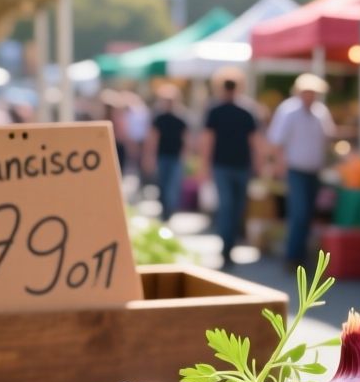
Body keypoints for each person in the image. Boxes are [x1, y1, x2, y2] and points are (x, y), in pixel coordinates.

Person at [267, 73, 336, 269]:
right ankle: (292, 257)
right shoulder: (288, 111)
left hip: (313, 170)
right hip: (295, 170)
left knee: (308, 214)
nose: (311, 95)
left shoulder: (321, 112)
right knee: (299, 213)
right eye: (308, 91)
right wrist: (280, 165)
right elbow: (277, 142)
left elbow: (327, 137)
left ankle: (301, 254)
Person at [199, 73, 261, 264]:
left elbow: (208, 140)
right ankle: (227, 246)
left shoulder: (217, 110)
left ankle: (228, 245)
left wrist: (204, 165)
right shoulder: (246, 110)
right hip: (236, 165)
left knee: (230, 207)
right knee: (232, 207)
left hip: (227, 165)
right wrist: (258, 164)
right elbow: (255, 141)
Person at [144, 85, 188, 219]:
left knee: (172, 186)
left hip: (175, 156)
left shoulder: (181, 118)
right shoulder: (159, 118)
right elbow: (153, 138)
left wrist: (184, 155)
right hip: (162, 156)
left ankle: (170, 211)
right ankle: (164, 210)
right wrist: (149, 156)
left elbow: (186, 139)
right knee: (162, 184)